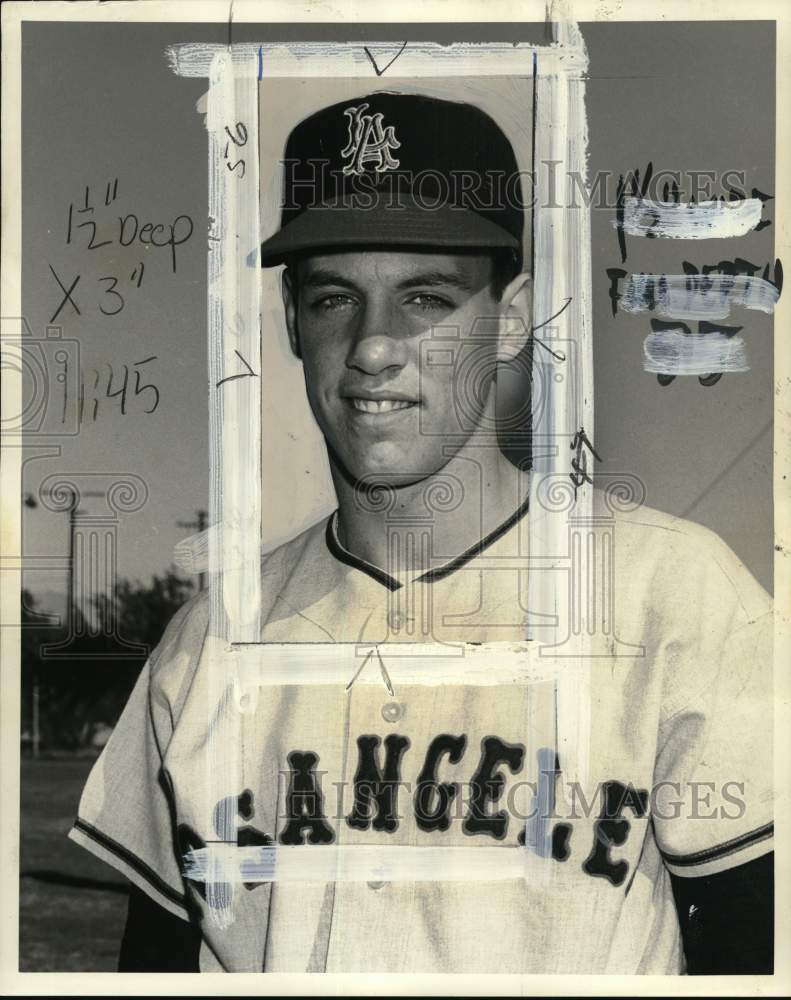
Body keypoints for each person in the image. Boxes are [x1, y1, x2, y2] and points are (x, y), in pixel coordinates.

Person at [69, 91, 773, 974]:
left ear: (512, 316)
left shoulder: (671, 594)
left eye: (425, 296)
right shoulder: (205, 642)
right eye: (333, 299)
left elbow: (755, 957)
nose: (373, 347)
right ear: (291, 319)